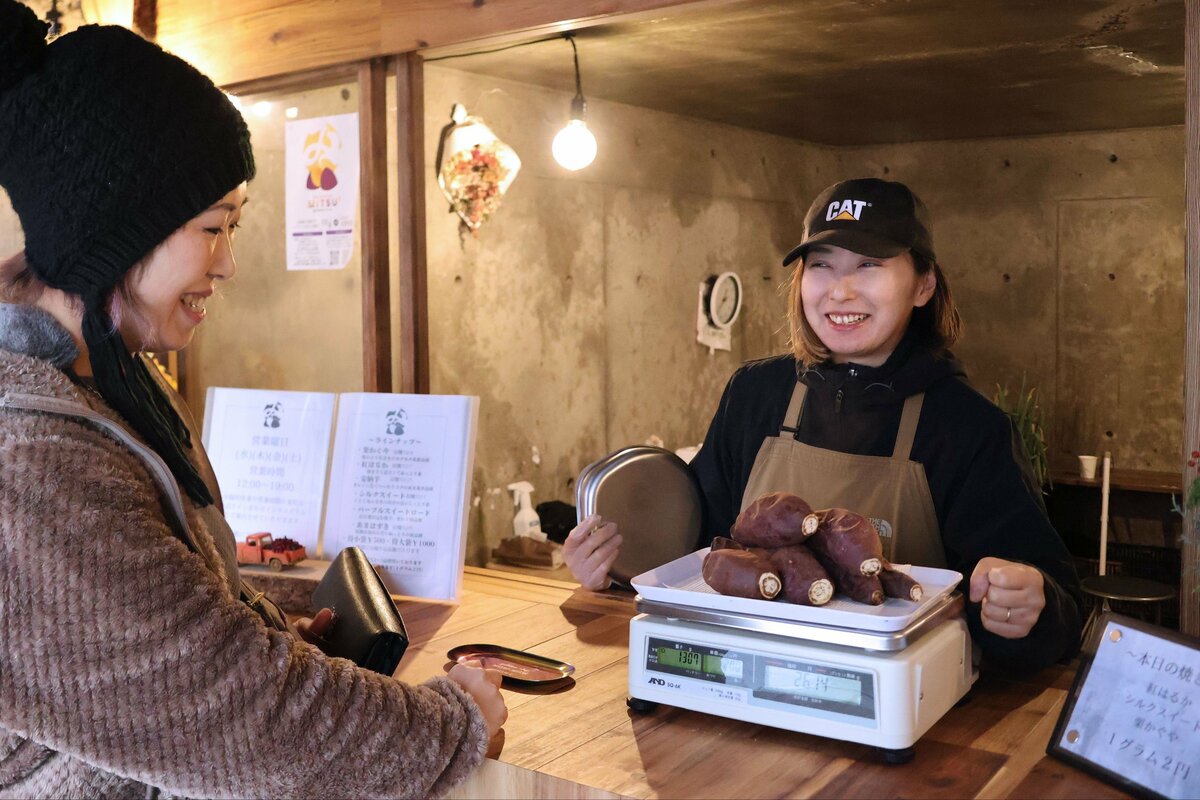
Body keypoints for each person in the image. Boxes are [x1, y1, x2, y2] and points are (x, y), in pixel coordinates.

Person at [0, 3, 505, 797]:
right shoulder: (30, 461)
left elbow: (158, 651)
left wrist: (272, 633)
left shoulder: (109, 387)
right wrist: (449, 726)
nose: (228, 263)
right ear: (116, 235)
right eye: (212, 226)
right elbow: (224, 710)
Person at [565, 177, 1083, 672]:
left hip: (887, 713)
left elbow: (1058, 610)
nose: (841, 291)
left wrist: (1024, 609)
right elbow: (699, 548)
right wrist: (613, 568)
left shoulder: (967, 427)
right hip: (740, 683)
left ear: (923, 285)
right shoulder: (755, 395)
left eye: (868, 265)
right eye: (822, 265)